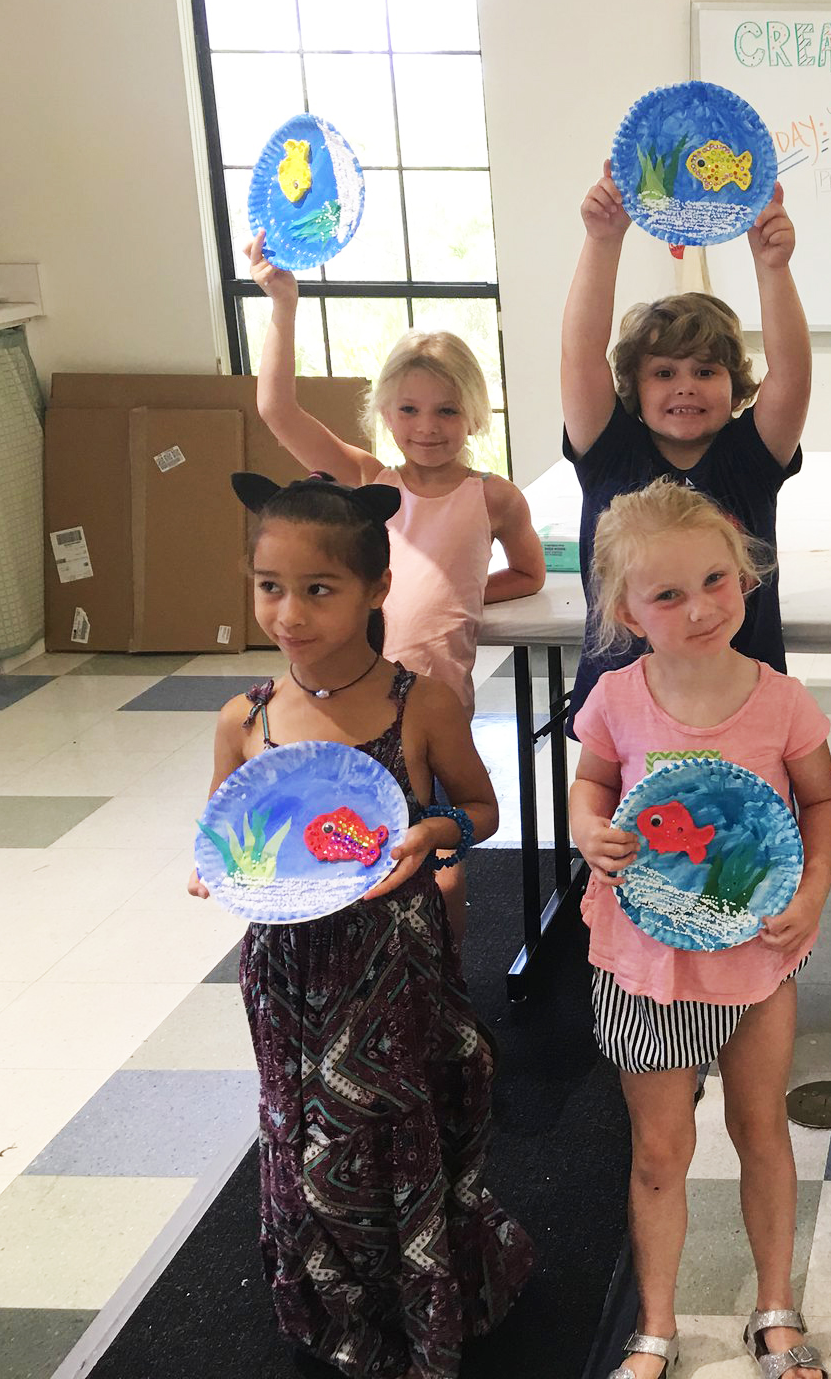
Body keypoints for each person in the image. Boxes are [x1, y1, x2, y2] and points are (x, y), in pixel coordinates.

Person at [191, 473, 532, 1377]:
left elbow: (481, 810)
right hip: (290, 972)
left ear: (377, 589)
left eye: (318, 589)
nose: (289, 613)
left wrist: (434, 832)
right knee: (306, 1136)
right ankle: (335, 1304)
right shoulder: (243, 719)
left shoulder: (418, 703)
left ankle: (428, 1296)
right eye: (269, 586)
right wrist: (212, 867)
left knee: (399, 1123)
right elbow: (225, 830)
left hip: (394, 963)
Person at [568, 477, 831, 1379]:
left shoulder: (781, 700)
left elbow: (822, 801)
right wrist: (586, 829)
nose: (700, 608)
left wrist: (813, 891)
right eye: (668, 594)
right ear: (627, 611)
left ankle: (776, 1308)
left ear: (746, 577)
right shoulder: (616, 698)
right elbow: (591, 784)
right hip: (644, 965)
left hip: (757, 963)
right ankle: (656, 1324)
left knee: (763, 1132)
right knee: (660, 1151)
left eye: (716, 581)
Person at [248, 232, 544, 947]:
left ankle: (442, 974)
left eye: (446, 411)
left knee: (439, 862)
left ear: (473, 414)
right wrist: (283, 305)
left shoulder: (493, 496)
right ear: (385, 413)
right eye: (409, 410)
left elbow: (530, 574)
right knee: (349, 838)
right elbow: (278, 411)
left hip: (437, 706)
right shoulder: (367, 480)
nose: (427, 428)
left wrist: (458, 596)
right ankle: (347, 955)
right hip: (353, 698)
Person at [560, 161, 810, 733]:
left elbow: (792, 375)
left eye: (706, 371)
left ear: (734, 384)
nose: (686, 387)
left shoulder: (750, 458)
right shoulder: (609, 450)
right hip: (624, 711)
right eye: (664, 373)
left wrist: (772, 267)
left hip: (745, 705)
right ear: (634, 384)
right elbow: (580, 354)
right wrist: (603, 241)